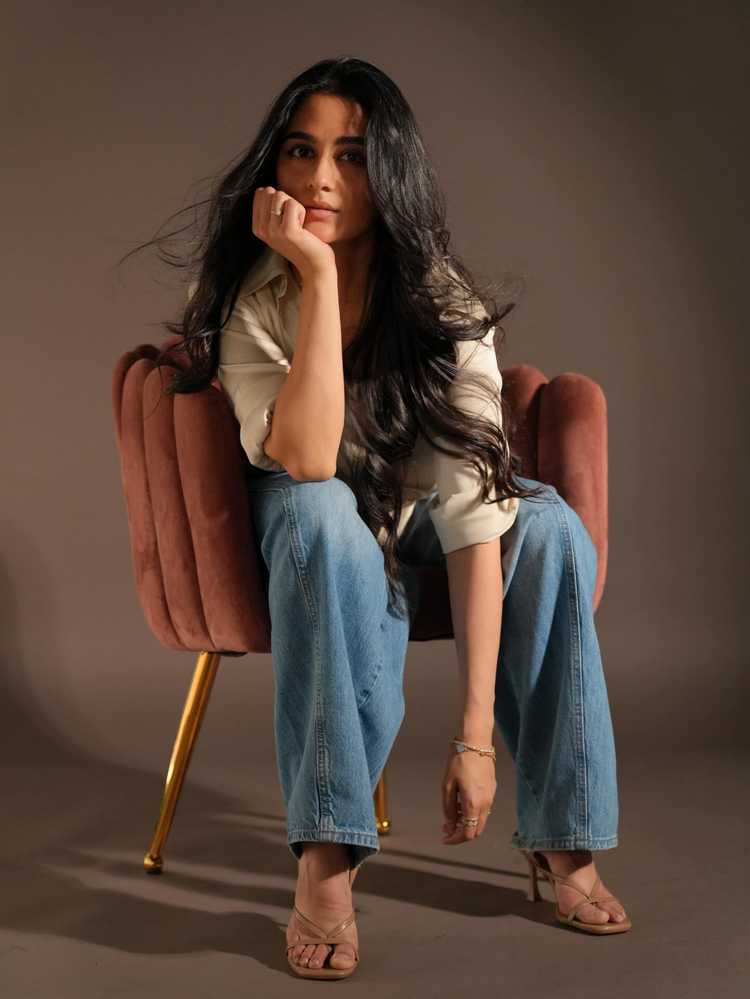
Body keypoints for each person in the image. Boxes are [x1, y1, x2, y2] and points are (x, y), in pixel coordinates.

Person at [137, 55, 631, 981]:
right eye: (301, 151)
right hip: (311, 524)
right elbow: (307, 458)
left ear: (391, 171)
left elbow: (473, 510)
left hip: (424, 520)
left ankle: (564, 836)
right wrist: (318, 280)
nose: (320, 178)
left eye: (352, 156)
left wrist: (473, 739)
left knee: (550, 525)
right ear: (274, 167)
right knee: (323, 511)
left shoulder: (443, 303)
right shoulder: (257, 301)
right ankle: (326, 856)